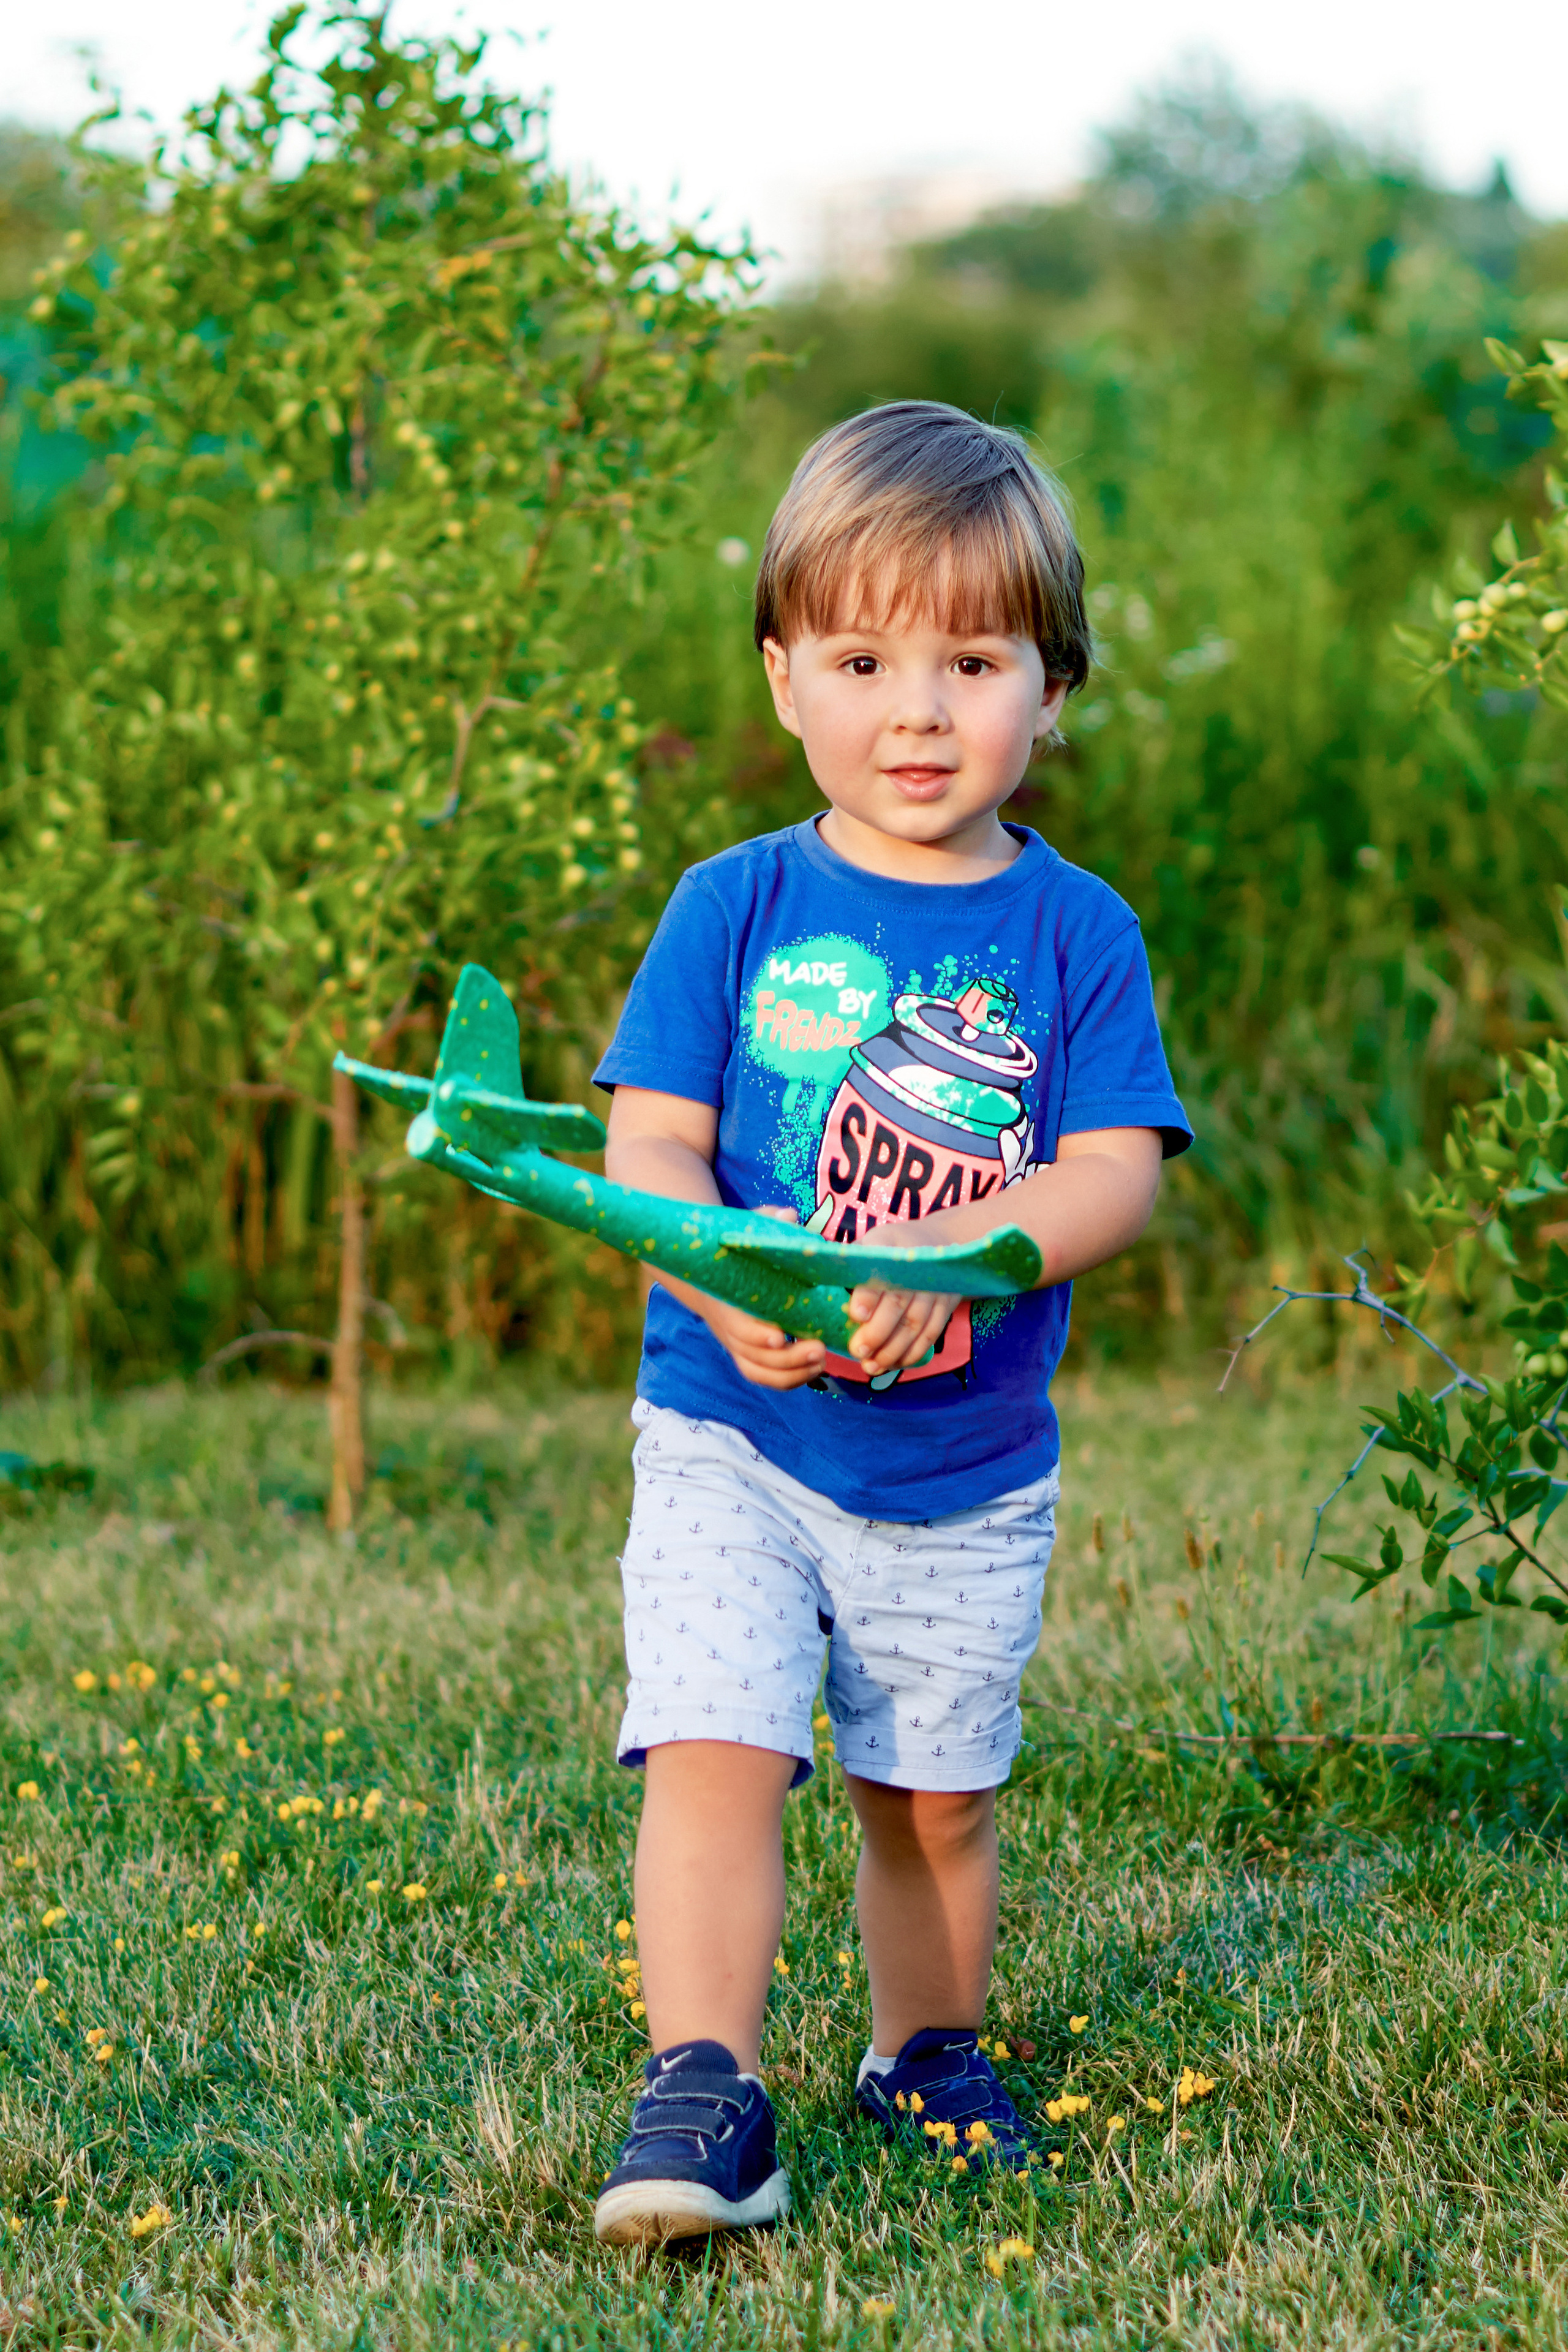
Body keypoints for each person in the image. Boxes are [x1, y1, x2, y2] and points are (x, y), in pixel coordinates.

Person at [589, 400, 1191, 2246]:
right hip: (735, 1429)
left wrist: (964, 1265)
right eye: (862, 658)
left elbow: (1111, 1173)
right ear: (784, 681)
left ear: (1051, 686)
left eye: (973, 659)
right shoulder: (737, 904)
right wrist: (723, 1285)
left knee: (928, 1799)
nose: (918, 712)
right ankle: (703, 2087)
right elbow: (650, 1149)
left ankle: (925, 2051)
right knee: (716, 1737)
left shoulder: (1077, 931)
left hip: (963, 1462)